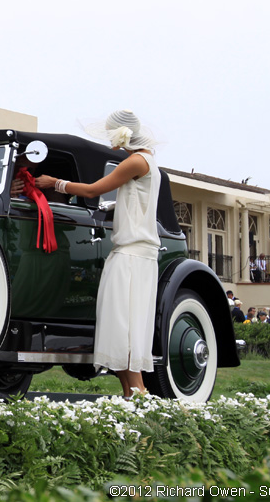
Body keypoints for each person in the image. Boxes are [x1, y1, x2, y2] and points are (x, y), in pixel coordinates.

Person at [35, 109, 159, 399]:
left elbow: (93, 190)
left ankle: (138, 392)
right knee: (121, 324)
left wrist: (56, 184)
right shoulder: (149, 161)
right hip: (136, 254)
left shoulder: (136, 161)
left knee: (123, 324)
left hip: (131, 255)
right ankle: (131, 394)